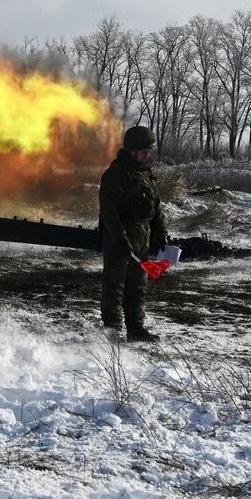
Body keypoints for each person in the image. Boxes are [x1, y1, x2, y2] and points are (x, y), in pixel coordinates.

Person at [99, 125, 167, 342]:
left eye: (149, 152)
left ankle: (136, 328)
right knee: (114, 287)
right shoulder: (115, 175)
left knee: (138, 286)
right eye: (144, 152)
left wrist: (160, 233)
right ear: (132, 151)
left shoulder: (145, 174)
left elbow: (156, 207)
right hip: (120, 240)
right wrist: (119, 239)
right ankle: (113, 331)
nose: (147, 156)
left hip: (142, 240)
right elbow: (109, 212)